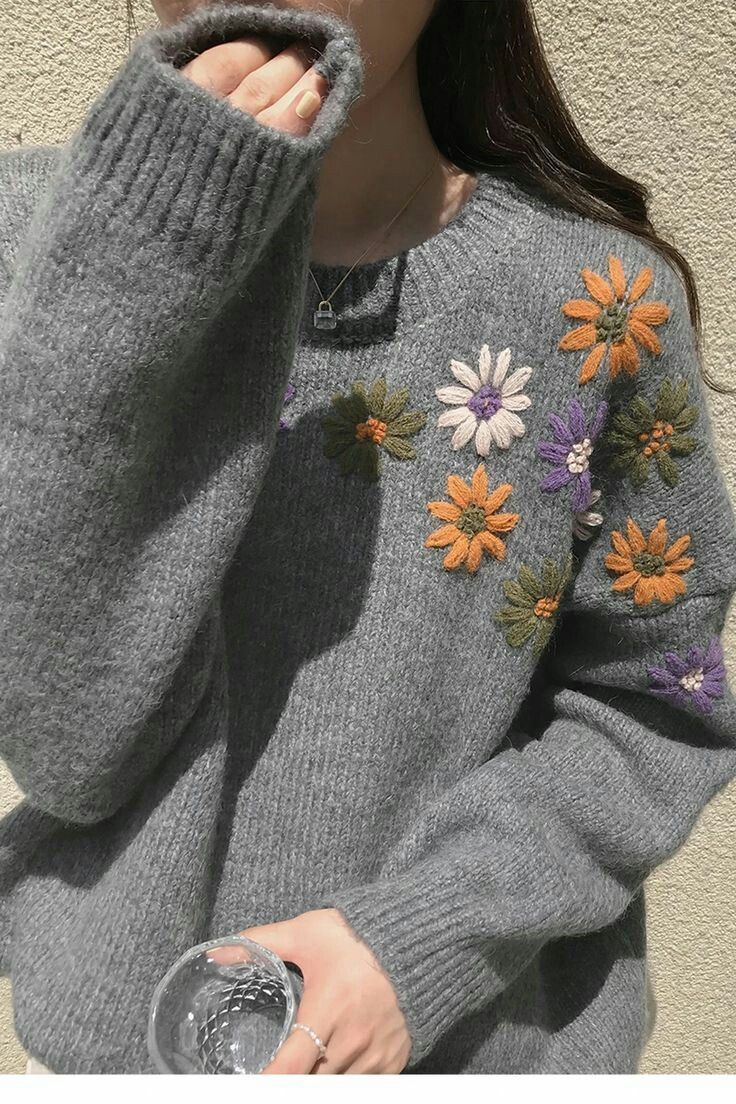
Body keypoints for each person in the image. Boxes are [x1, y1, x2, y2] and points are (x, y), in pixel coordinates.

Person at [1, 0, 734, 1077]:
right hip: (129, 1053)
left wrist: (422, 940)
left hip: (475, 1053)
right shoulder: (36, 249)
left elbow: (654, 705)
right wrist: (133, 276)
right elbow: (67, 746)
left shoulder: (599, 305)